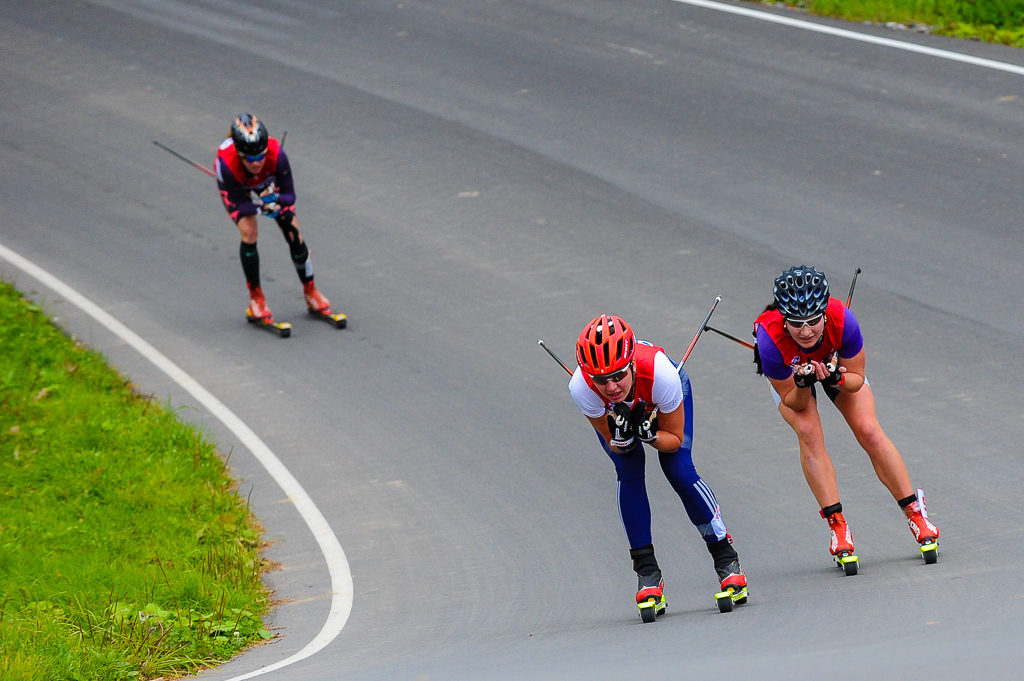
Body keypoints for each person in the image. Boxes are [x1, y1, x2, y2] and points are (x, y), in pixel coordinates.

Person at [753, 266, 939, 569]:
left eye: (813, 321)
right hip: (793, 380)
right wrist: (802, 382)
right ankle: (838, 526)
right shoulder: (770, 340)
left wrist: (836, 376)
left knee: (868, 429)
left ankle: (916, 513)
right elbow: (793, 402)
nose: (806, 331)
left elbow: (856, 378)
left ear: (825, 314)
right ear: (783, 319)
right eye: (797, 324)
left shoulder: (842, 320)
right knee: (809, 434)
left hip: (837, 369)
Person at [568, 314, 747, 621]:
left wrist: (649, 434)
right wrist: (623, 437)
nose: (610, 387)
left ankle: (726, 559)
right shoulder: (581, 388)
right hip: (625, 416)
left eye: (618, 376)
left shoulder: (662, 374)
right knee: (628, 469)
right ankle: (647, 573)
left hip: (661, 400)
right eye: (601, 380)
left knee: (678, 469)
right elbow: (614, 443)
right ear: (588, 375)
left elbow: (674, 439)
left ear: (632, 364)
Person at [215, 113, 334, 322]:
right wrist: (262, 208)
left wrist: (275, 200)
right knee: (249, 232)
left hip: (267, 185)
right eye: (250, 158)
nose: (256, 162)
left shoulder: (277, 155)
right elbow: (240, 204)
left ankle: (311, 291)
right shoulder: (226, 165)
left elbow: (290, 196)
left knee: (293, 233)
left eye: (260, 155)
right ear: (239, 154)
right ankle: (256, 300)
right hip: (239, 186)